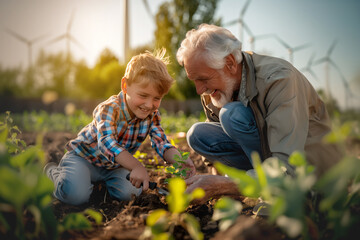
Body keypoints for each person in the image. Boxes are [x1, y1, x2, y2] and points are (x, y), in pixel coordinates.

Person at [176, 24, 342, 204]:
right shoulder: (213, 90)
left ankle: (273, 191)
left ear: (230, 63)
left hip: (307, 169)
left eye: (203, 79)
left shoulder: (279, 80)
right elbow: (215, 157)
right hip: (264, 156)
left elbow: (288, 164)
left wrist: (224, 185)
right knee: (198, 134)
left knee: (231, 114)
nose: (199, 90)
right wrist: (216, 186)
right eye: (194, 80)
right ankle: (256, 182)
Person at [44, 50, 196, 205]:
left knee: (131, 193)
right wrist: (137, 166)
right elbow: (106, 143)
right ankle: (52, 173)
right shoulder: (109, 109)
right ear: (125, 86)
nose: (149, 105)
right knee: (75, 195)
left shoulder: (152, 115)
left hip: (114, 167)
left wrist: (179, 159)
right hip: (84, 159)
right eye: (143, 96)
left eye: (157, 98)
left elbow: (161, 142)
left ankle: (98, 185)